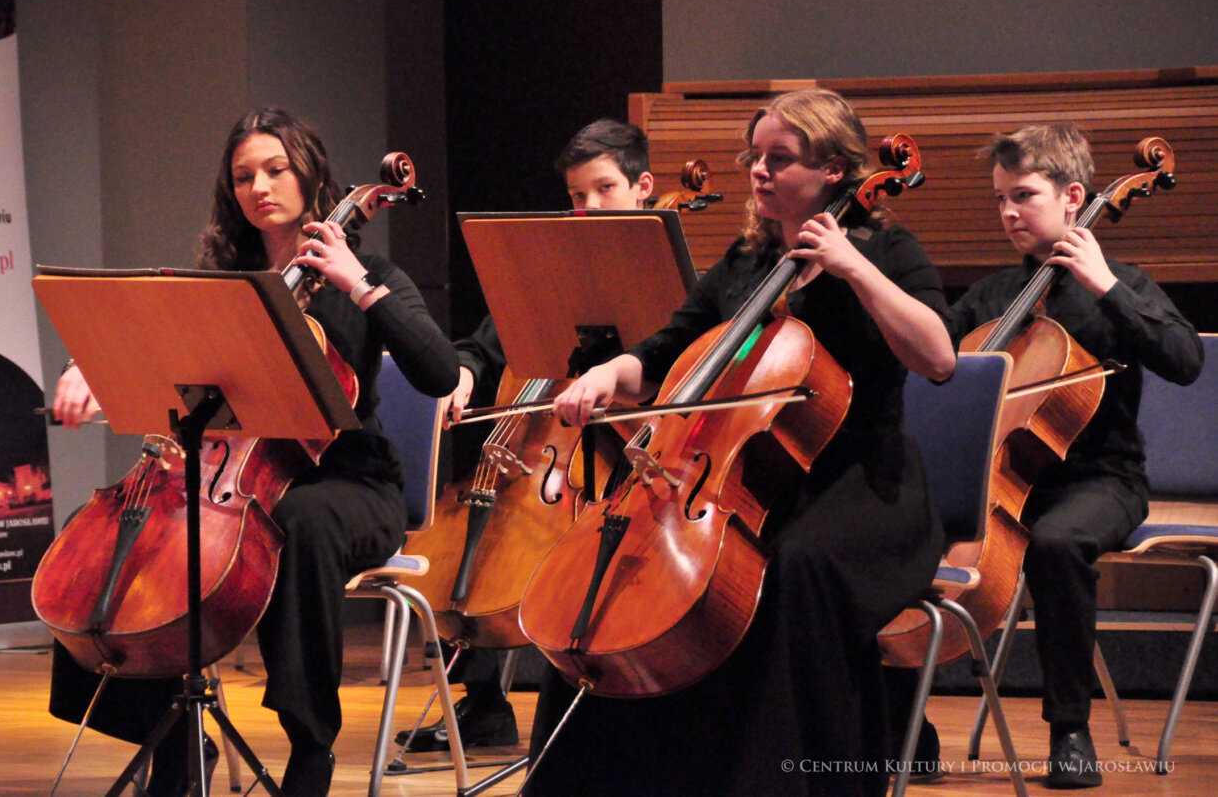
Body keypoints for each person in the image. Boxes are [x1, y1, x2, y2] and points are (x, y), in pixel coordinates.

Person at [523, 88, 955, 797]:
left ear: (836, 172)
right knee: (613, 580)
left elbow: (937, 356)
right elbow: (666, 350)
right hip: (751, 479)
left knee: (789, 573)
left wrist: (851, 266)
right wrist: (608, 374)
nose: (758, 172)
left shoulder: (888, 251)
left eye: (779, 159)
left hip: (864, 483)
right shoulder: (747, 260)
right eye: (754, 157)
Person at [46, 107, 460, 796]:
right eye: (244, 176)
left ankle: (310, 746)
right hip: (228, 482)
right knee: (98, 546)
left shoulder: (368, 270)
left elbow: (440, 372)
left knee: (301, 524)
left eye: (276, 169)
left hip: (351, 486)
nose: (259, 186)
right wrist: (90, 366)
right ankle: (174, 738)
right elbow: (151, 346)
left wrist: (358, 284)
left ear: (311, 173)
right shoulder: (227, 277)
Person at [925, 122, 1202, 788]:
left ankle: (1069, 729)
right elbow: (934, 371)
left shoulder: (1124, 284)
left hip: (1100, 480)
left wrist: (1108, 286)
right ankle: (908, 723)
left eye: (1023, 194)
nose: (1009, 212)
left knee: (1055, 542)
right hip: (1001, 481)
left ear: (1074, 195)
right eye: (999, 199)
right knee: (899, 526)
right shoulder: (992, 298)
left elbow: (1187, 361)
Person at [401, 118, 655, 752]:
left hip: (630, 462)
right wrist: (461, 375)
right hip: (541, 460)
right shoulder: (548, 273)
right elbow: (485, 348)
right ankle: (483, 700)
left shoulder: (666, 279)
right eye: (576, 195)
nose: (587, 208)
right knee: (472, 538)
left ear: (643, 187)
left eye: (603, 190)